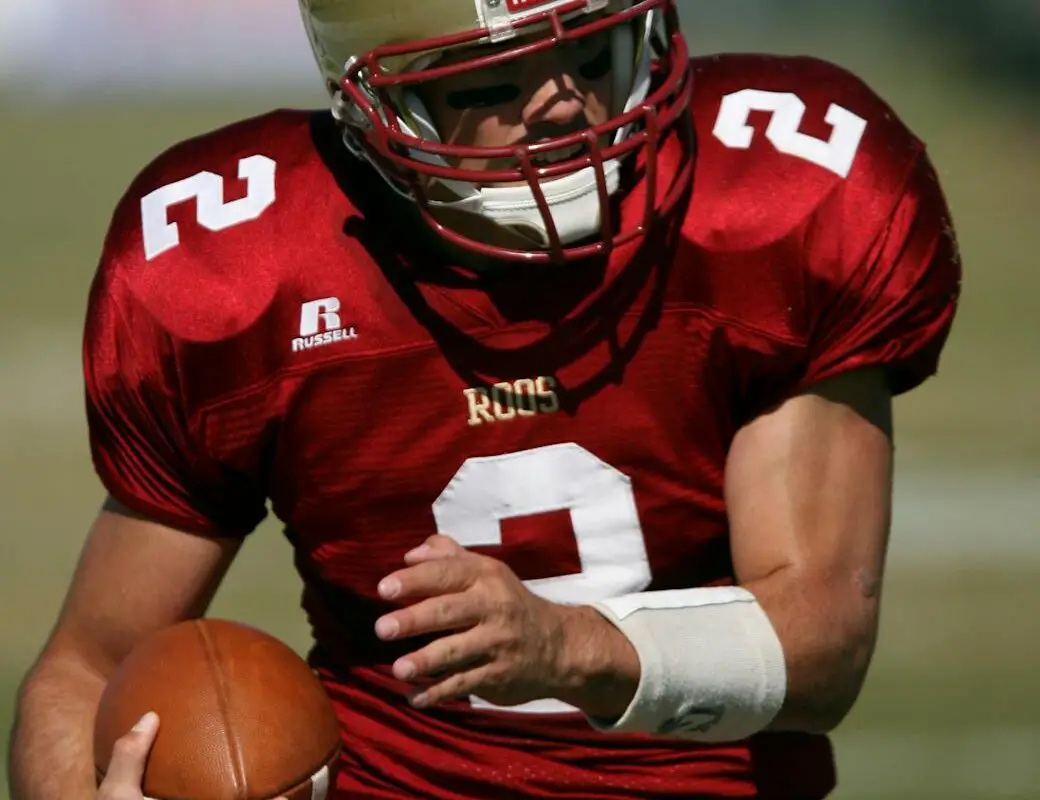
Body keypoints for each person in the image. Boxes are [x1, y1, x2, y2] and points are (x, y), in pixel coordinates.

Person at [8, 0, 961, 798]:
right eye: (490, 85)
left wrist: (568, 646)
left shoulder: (772, 201)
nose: (563, 109)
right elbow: (86, 667)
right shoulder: (242, 266)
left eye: (592, 54)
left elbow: (821, 649)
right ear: (376, 95)